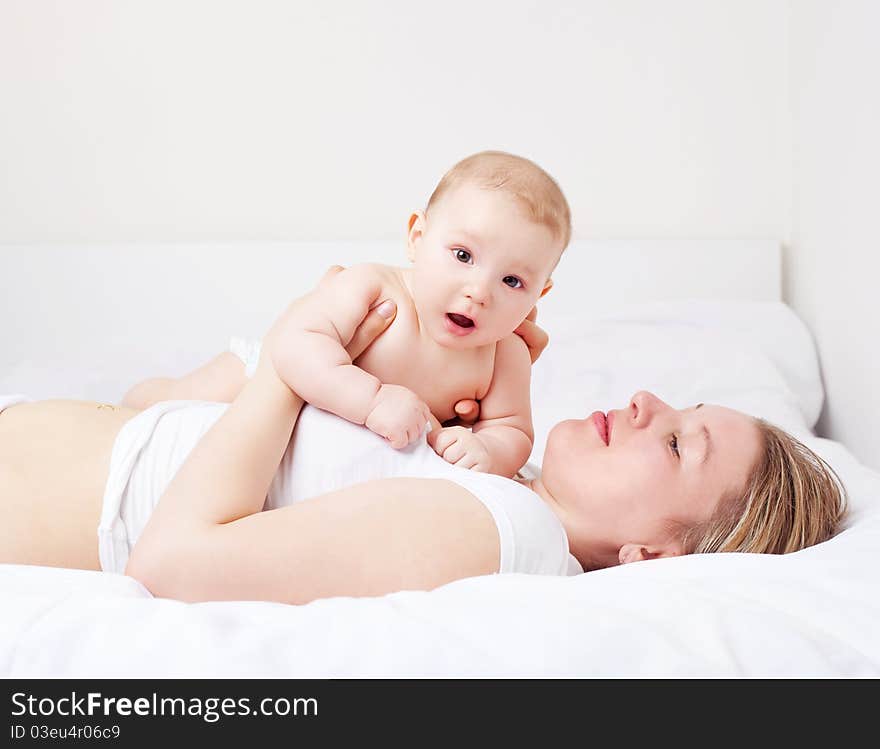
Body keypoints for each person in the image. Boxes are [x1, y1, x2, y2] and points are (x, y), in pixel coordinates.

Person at [0, 289, 847, 605]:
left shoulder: (503, 530)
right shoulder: (495, 473)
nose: (644, 400)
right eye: (679, 405)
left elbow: (173, 565)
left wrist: (294, 364)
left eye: (675, 443)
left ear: (651, 555)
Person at [122, 150, 572, 478]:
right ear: (418, 236)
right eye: (462, 254)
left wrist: (487, 451)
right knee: (171, 408)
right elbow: (294, 344)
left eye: (512, 282)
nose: (479, 292)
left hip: (301, 449)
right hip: (252, 383)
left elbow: (511, 429)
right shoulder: (375, 287)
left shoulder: (504, 355)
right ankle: (132, 401)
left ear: (539, 294)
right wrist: (372, 401)